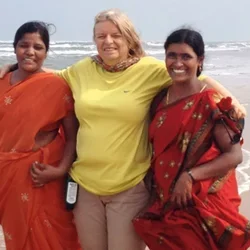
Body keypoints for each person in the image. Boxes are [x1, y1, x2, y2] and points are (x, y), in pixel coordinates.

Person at [0, 9, 246, 250]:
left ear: (128, 37)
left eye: (115, 35)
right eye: (101, 36)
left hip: (130, 187)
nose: (108, 42)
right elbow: (49, 76)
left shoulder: (149, 70)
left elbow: (191, 76)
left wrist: (226, 96)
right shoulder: (83, 69)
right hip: (85, 186)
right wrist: (11, 67)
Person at [133, 28, 250, 250]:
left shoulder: (210, 102)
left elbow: (234, 155)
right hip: (166, 199)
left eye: (186, 56)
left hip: (201, 201)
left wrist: (189, 177)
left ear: (200, 60)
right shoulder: (159, 99)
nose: (178, 63)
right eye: (172, 55)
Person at [0, 22, 81, 249]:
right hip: (7, 174)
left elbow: (73, 137)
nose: (30, 52)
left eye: (38, 47)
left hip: (42, 175)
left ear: (46, 52)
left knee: (52, 234)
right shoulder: (1, 82)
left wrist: (60, 170)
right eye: (24, 45)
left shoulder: (57, 86)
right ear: (15, 48)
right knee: (16, 234)